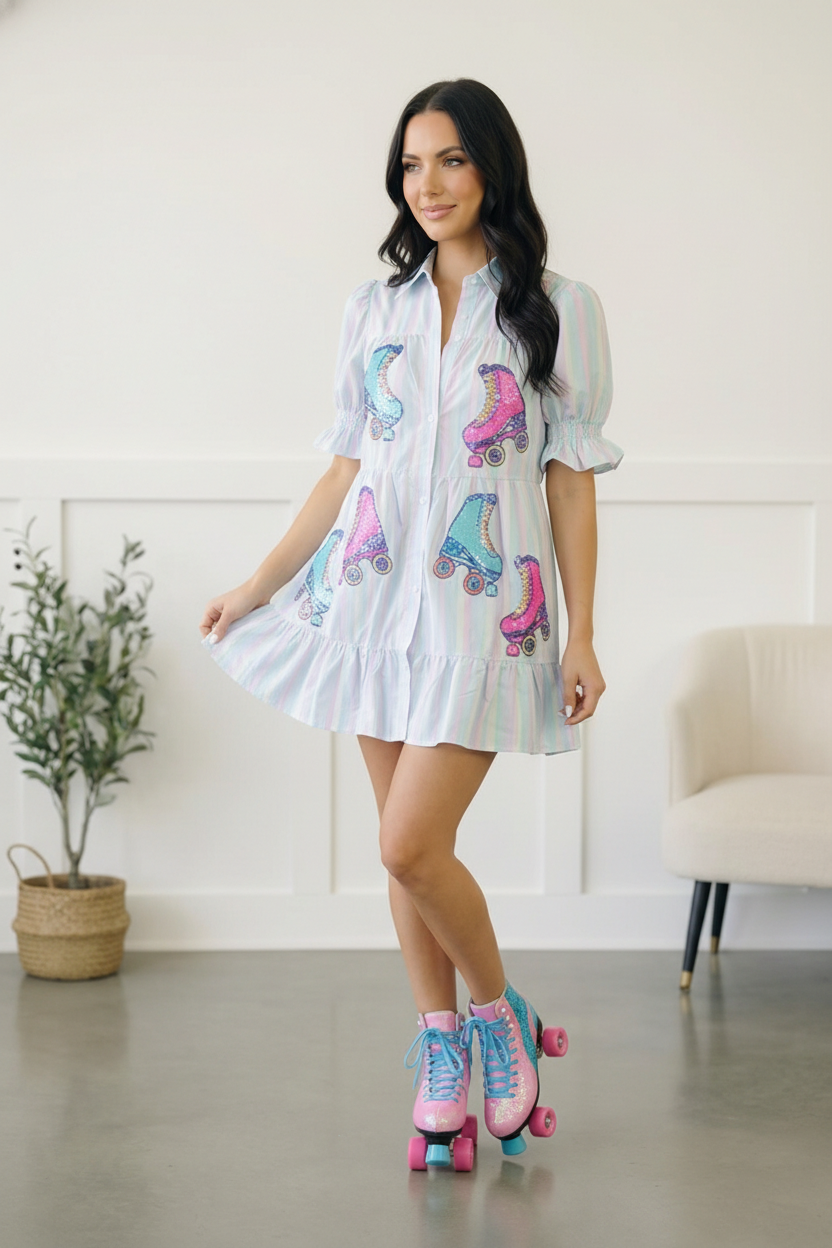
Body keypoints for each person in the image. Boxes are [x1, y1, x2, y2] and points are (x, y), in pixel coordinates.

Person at [198, 78, 622, 1171]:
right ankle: (442, 1052)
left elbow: (570, 480)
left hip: (482, 619)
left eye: (450, 160)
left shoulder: (557, 307)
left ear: (492, 168)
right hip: (367, 605)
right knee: (404, 858)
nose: (426, 184)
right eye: (410, 164)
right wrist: (259, 586)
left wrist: (580, 632)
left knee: (407, 844)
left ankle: (498, 1018)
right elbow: (347, 469)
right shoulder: (372, 308)